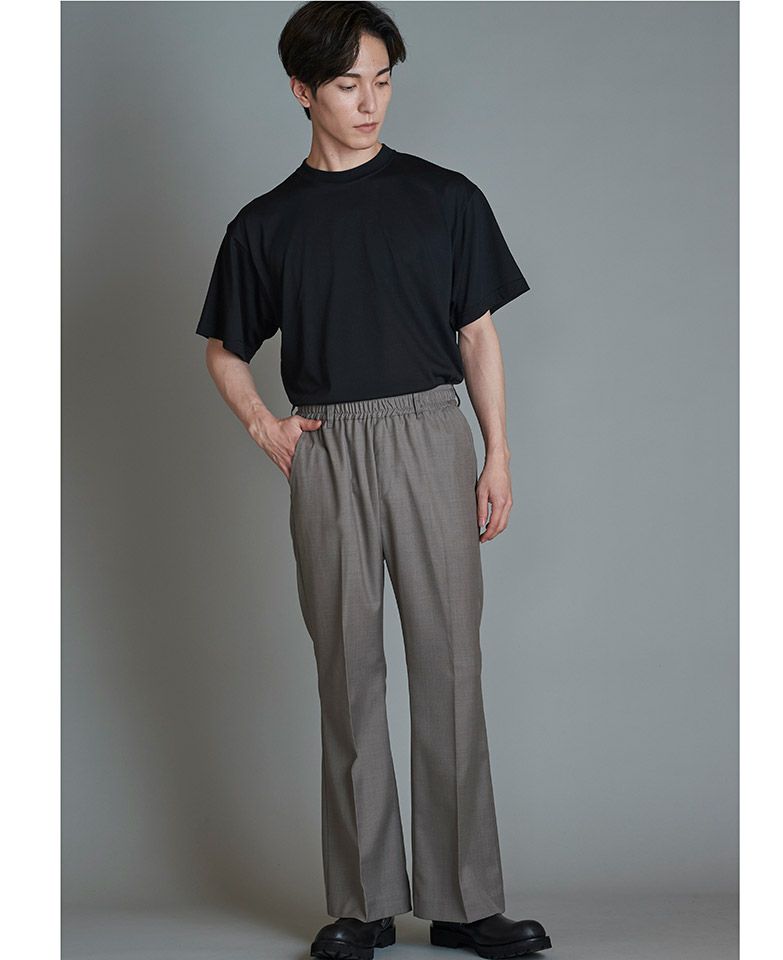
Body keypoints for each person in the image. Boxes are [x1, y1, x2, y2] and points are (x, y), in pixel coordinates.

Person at [195, 3, 553, 958]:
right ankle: (361, 904)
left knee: (450, 667)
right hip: (330, 449)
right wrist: (267, 427)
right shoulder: (265, 224)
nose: (370, 102)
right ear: (302, 90)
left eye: (383, 80)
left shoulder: (444, 198)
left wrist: (497, 452)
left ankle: (466, 902)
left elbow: (478, 334)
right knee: (347, 673)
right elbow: (224, 349)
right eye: (348, 84)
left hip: (431, 434)